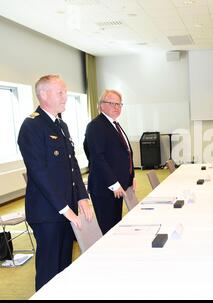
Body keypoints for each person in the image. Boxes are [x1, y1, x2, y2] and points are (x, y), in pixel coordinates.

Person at [17, 74, 93, 291]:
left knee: (64, 268)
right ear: (43, 95)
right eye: (61, 92)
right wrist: (64, 208)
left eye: (65, 92)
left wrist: (81, 197)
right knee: (49, 271)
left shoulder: (61, 125)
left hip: (66, 209)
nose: (65, 97)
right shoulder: (31, 126)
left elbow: (72, 164)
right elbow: (39, 172)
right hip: (47, 213)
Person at [83, 90, 135, 234]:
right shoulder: (96, 126)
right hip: (105, 188)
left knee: (116, 224)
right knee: (108, 229)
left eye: (119, 104)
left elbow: (127, 153)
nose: (117, 107)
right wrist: (114, 184)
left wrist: (132, 176)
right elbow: (97, 158)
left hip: (117, 187)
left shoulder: (114, 124)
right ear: (101, 105)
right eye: (112, 103)